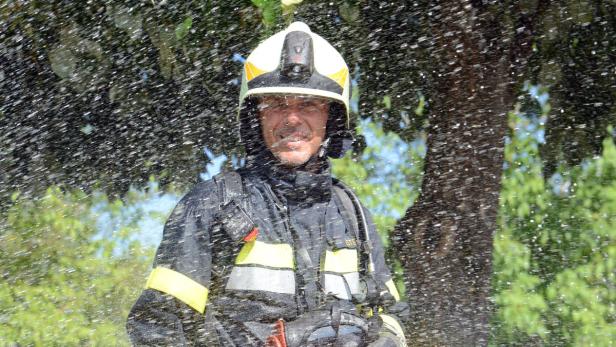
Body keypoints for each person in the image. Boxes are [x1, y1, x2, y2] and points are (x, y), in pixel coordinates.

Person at [127, 21, 408, 347]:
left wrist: (385, 338)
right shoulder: (213, 206)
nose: (291, 119)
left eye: (307, 104)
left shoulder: (350, 214)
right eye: (276, 103)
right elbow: (158, 326)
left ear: (330, 118)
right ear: (254, 116)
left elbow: (391, 315)